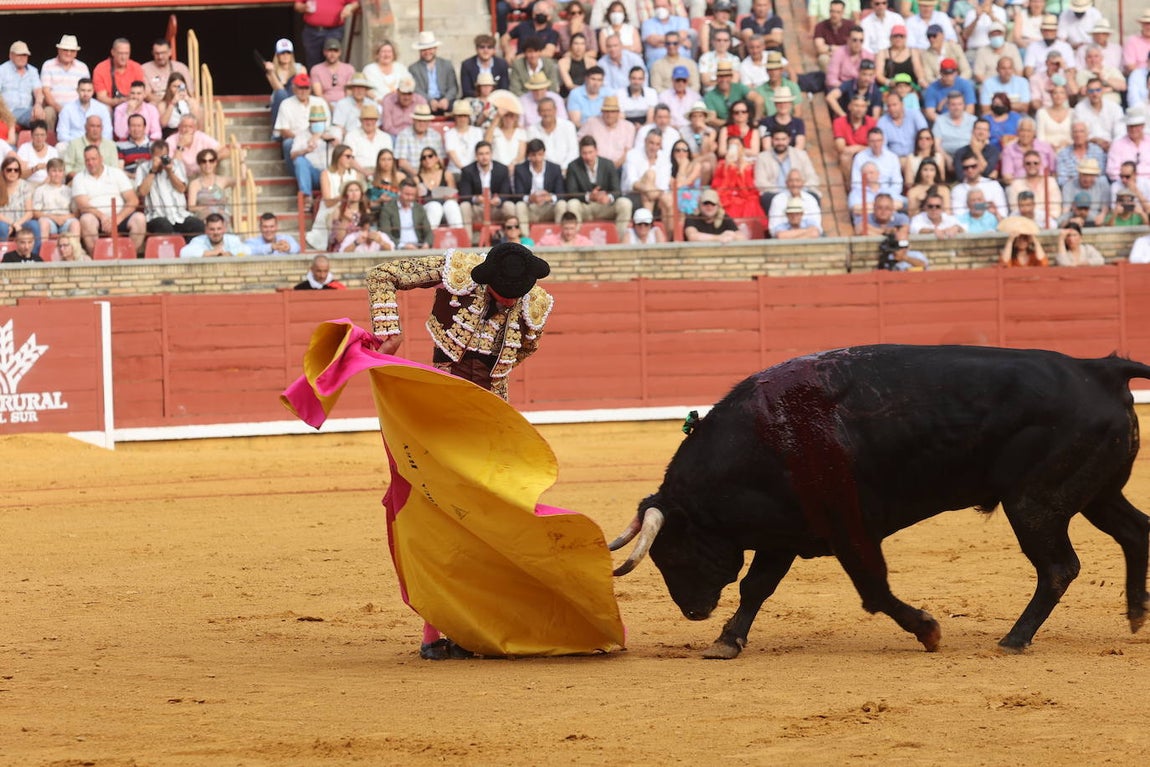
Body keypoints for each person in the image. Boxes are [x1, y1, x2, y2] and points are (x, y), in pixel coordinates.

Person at [72, 144, 146, 255]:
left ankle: (129, 256)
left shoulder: (116, 173)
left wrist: (117, 219)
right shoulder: (79, 178)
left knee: (139, 218)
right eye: (87, 160)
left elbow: (133, 200)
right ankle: (97, 258)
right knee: (86, 220)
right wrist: (102, 217)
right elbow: (83, 205)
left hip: (120, 215)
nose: (90, 163)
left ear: (101, 158)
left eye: (93, 159)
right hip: (96, 217)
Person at [565, 135, 632, 239]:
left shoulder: (608, 164)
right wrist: (589, 197)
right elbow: (571, 193)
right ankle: (575, 241)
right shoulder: (573, 166)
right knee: (572, 204)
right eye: (584, 153)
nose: (587, 157)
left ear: (596, 151)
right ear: (580, 153)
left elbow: (617, 191)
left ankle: (619, 240)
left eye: (590, 152)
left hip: (605, 206)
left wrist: (608, 197)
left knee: (625, 203)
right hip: (585, 206)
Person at [136, 139, 204, 237]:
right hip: (156, 216)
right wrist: (153, 171)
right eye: (158, 156)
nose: (161, 159)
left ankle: (189, 251)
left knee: (198, 225)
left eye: (163, 156)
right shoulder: (143, 168)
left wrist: (170, 172)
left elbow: (182, 189)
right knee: (164, 227)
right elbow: (142, 192)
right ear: (152, 156)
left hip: (179, 215)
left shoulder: (177, 165)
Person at [39, 35, 89, 132]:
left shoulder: (82, 67)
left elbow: (86, 91)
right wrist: (60, 108)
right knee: (48, 113)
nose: (68, 53)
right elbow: (46, 92)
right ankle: (49, 145)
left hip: (77, 107)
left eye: (72, 51)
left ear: (76, 53)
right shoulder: (48, 65)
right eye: (65, 50)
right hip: (54, 106)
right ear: (59, 50)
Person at [512, 138, 566, 224]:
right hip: (530, 206)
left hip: (548, 206)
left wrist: (550, 197)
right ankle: (524, 236)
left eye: (540, 154)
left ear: (544, 153)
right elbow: (518, 194)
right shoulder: (520, 169)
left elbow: (561, 193)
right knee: (519, 206)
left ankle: (559, 236)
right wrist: (530, 198)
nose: (537, 158)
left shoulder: (555, 168)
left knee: (561, 204)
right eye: (533, 155)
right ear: (528, 155)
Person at [294, 0, 360, 69]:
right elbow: (297, 5)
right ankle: (316, 79)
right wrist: (304, 7)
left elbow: (355, 3)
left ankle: (332, 79)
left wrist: (349, 7)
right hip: (313, 31)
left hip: (334, 30)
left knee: (332, 59)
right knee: (313, 63)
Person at [409, 31, 459, 116]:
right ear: (420, 51)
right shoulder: (413, 68)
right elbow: (416, 89)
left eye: (430, 48)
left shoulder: (446, 64)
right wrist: (430, 100)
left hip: (445, 99)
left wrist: (446, 99)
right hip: (425, 101)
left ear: (435, 48)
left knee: (460, 108)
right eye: (424, 49)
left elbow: (453, 87)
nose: (427, 52)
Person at [414, 147, 464, 229]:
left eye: (430, 156)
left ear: (436, 158)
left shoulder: (447, 174)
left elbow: (455, 196)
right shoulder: (417, 179)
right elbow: (416, 202)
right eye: (424, 158)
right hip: (427, 208)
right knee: (435, 206)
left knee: (451, 204)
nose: (427, 159)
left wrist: (450, 197)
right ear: (421, 161)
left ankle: (459, 236)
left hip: (445, 206)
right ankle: (430, 238)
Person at [167, 114, 227, 180]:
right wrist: (180, 146)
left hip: (202, 173)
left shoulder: (201, 136)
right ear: (179, 127)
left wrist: (209, 161)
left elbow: (223, 150)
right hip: (182, 177)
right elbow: (173, 166)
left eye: (190, 127)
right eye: (184, 126)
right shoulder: (170, 140)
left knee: (224, 162)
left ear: (195, 129)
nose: (187, 130)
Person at [1, 41, 45, 129]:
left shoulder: (32, 71)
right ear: (11, 55)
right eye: (19, 55)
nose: (22, 58)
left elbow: (38, 91)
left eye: (25, 55)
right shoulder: (2, 70)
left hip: (25, 111)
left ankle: (39, 142)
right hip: (7, 111)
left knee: (40, 114)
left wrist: (38, 105)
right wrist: (4, 112)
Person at [32, 158, 79, 243]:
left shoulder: (69, 190)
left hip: (66, 219)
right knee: (43, 222)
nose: (57, 174)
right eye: (54, 171)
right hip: (48, 219)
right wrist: (54, 217)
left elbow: (76, 213)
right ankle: (43, 252)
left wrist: (64, 217)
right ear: (48, 172)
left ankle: (75, 253)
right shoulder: (41, 190)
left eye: (60, 171)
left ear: (64, 173)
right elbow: (35, 212)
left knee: (75, 223)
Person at [92, 39, 146, 110]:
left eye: (126, 53)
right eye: (120, 53)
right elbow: (101, 97)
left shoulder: (136, 67)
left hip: (132, 103)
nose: (123, 57)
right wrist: (118, 101)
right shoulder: (101, 68)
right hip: (111, 104)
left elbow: (141, 92)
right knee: (105, 108)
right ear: (113, 52)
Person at [379, 178, 433, 249]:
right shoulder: (388, 208)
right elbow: (385, 233)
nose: (410, 198)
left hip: (418, 247)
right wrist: (402, 246)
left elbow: (428, 231)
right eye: (407, 194)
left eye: (412, 195)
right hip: (398, 249)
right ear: (399, 192)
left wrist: (427, 244)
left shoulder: (419, 208)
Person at [56, 78, 112, 144]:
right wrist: (79, 144)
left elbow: (107, 134)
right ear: (77, 90)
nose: (86, 94)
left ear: (93, 91)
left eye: (89, 91)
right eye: (83, 90)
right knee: (60, 147)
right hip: (73, 144)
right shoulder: (67, 109)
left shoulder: (102, 108)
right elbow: (62, 135)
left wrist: (94, 143)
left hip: (97, 145)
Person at [186, 149, 234, 225]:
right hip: (204, 218)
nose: (207, 164)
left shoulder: (222, 180)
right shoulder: (194, 184)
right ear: (199, 164)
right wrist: (209, 209)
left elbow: (241, 179)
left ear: (215, 163)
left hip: (222, 217)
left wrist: (241, 160)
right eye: (203, 161)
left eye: (211, 161)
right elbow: (191, 207)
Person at [344, 104, 392, 178]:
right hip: (358, 171)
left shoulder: (386, 137)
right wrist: (365, 172)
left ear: (376, 121)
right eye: (366, 119)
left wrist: (379, 173)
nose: (369, 122)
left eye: (372, 119)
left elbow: (389, 159)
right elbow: (349, 159)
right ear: (361, 121)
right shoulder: (351, 136)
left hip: (381, 171)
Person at [179, 212, 250, 258]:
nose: (216, 232)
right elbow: (184, 253)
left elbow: (247, 250)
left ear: (224, 229)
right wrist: (212, 253)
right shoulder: (199, 240)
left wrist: (229, 253)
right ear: (206, 230)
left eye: (219, 229)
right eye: (212, 229)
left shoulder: (233, 239)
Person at [0, 156, 35, 247]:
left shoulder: (25, 186)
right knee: (2, 227)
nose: (13, 172)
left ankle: (34, 259)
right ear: (3, 171)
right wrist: (12, 223)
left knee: (34, 225)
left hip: (21, 223)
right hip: (4, 222)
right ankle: (3, 257)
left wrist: (17, 224)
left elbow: (29, 213)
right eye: (9, 170)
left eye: (16, 170)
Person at [310, 38, 356, 106]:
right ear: (324, 52)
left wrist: (343, 107)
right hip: (324, 105)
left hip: (345, 104)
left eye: (335, 51)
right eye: (329, 51)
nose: (332, 54)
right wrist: (330, 106)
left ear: (340, 52)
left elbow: (349, 92)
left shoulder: (349, 68)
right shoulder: (316, 69)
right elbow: (318, 94)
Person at [158, 73, 203, 140]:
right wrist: (172, 103)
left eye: (180, 86)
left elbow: (198, 122)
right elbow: (163, 124)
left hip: (189, 133)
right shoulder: (163, 104)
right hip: (171, 133)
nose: (177, 89)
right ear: (169, 87)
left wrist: (188, 101)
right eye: (174, 86)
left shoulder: (192, 101)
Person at [16, 120, 57, 185]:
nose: (39, 138)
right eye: (36, 135)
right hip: (28, 184)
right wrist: (35, 168)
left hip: (47, 184)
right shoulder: (24, 148)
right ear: (32, 135)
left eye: (42, 135)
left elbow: (55, 174)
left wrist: (43, 186)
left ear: (46, 136)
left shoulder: (53, 151)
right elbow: (20, 175)